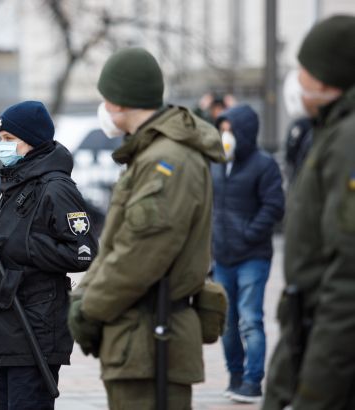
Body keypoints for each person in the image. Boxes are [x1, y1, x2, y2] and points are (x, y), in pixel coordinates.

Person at [67, 47, 224, 409]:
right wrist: (85, 300)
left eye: (106, 98)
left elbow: (139, 255)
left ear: (121, 100)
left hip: (151, 339)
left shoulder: (166, 160)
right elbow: (117, 244)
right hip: (137, 338)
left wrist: (91, 309)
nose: (104, 107)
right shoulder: (150, 154)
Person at [0, 101, 98, 410]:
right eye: (0, 139)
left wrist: (28, 246)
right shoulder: (14, 184)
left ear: (30, 140)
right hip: (7, 323)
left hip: (35, 325)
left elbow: (83, 251)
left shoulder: (56, 187)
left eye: (8, 139)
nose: (2, 146)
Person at [263, 15, 355, 410]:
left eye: (304, 69)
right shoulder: (329, 131)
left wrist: (315, 394)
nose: (296, 79)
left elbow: (346, 280)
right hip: (308, 326)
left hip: (329, 341)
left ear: (328, 77)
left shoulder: (347, 140)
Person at [210, 104, 285, 402]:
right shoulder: (216, 163)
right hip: (222, 257)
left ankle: (253, 382)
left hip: (253, 257)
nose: (225, 136)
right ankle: (236, 377)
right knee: (227, 323)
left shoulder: (264, 165)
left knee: (251, 320)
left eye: (229, 130)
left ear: (244, 132)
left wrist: (249, 234)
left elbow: (274, 206)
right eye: (222, 130)